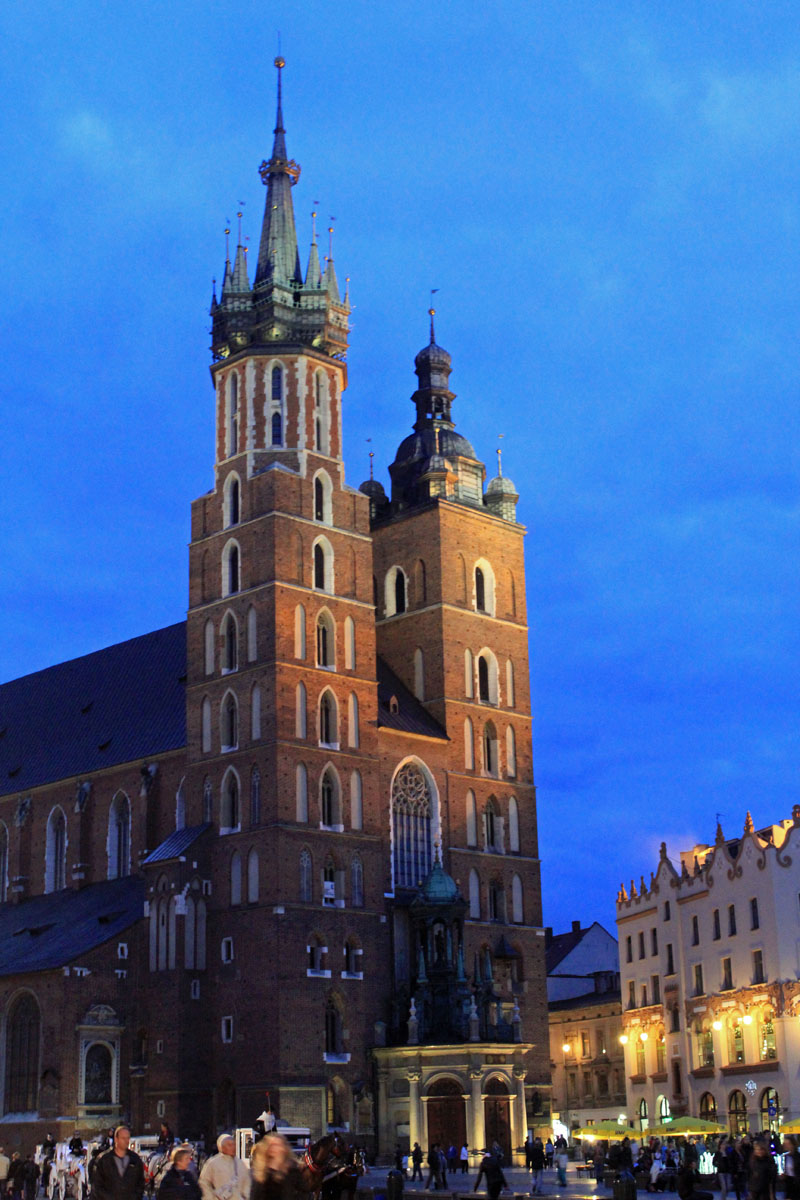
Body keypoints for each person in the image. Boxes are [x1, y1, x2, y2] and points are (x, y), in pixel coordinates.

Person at [91, 1125, 145, 1200]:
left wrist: (134, 1197)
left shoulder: (135, 1160)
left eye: (128, 1138)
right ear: (116, 1139)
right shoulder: (104, 1160)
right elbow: (97, 1186)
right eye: (123, 1138)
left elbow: (140, 1183)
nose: (126, 1141)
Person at [198, 1136, 249, 1200]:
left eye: (234, 1144)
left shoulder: (240, 1164)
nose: (233, 1147)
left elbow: (247, 1183)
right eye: (229, 1145)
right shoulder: (212, 1163)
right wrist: (210, 1197)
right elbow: (203, 1182)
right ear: (222, 1147)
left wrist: (245, 1197)